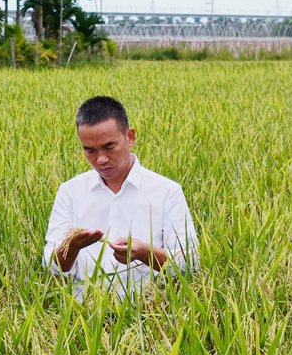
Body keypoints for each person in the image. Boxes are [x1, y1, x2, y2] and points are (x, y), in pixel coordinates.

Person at [42, 96, 199, 301]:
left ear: (130, 137)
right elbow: (50, 267)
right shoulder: (70, 192)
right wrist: (71, 247)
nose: (100, 159)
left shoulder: (167, 192)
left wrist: (145, 253)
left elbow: (190, 262)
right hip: (84, 316)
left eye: (109, 147)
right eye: (89, 150)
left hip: (149, 314)